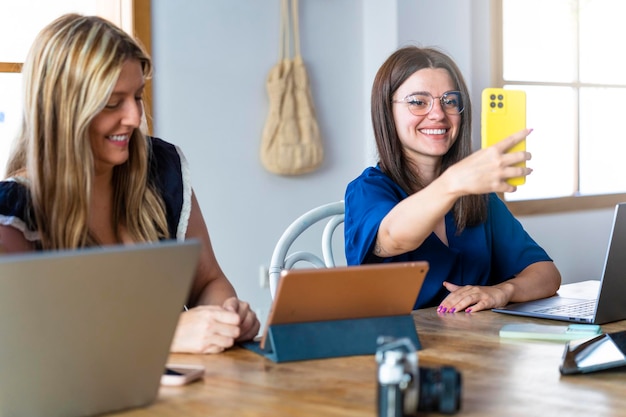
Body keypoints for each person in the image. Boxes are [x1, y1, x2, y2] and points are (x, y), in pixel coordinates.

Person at [0, 13, 259, 353]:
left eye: (137, 96)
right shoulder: (14, 212)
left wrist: (226, 317)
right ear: (63, 110)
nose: (135, 118)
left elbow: (207, 281)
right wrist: (164, 335)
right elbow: (26, 349)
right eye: (112, 103)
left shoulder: (162, 169)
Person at [344, 46, 561, 314]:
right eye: (418, 102)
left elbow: (547, 274)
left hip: (476, 346)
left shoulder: (475, 195)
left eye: (449, 100)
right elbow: (393, 238)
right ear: (387, 112)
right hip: (398, 348)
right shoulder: (368, 191)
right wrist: (454, 182)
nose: (438, 114)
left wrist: (502, 291)